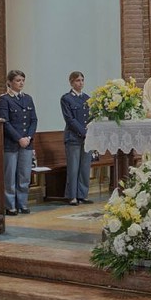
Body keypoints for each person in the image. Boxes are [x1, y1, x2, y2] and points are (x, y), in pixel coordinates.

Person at [0, 70, 38, 215]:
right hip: (11, 143)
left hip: (27, 143)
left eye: (22, 80)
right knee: (10, 176)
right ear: (9, 82)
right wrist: (19, 138)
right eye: (17, 80)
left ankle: (22, 203)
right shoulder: (5, 100)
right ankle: (10, 205)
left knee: (24, 175)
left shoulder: (28, 98)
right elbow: (5, 122)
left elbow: (33, 120)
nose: (21, 83)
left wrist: (28, 137)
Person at [61, 71, 92, 206]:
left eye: (82, 80)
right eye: (78, 80)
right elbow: (70, 119)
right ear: (71, 82)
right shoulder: (66, 98)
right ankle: (72, 195)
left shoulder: (87, 98)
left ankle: (82, 194)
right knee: (73, 168)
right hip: (73, 137)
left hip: (87, 138)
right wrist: (83, 132)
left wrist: (90, 131)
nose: (80, 83)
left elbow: (91, 117)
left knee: (85, 167)